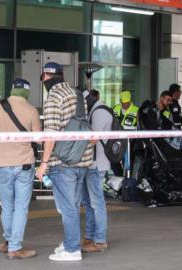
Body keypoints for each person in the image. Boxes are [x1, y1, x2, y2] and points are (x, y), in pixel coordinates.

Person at [35, 62, 94, 261]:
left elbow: (50, 135)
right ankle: (71, 242)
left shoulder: (53, 97)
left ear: (45, 77)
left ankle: (71, 250)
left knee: (67, 208)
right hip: (82, 158)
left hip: (63, 162)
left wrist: (43, 163)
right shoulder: (77, 93)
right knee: (73, 205)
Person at [0, 78, 40, 259]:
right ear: (26, 92)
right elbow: (38, 139)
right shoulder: (31, 110)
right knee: (20, 207)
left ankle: (9, 241)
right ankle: (15, 248)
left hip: (2, 163)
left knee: (7, 206)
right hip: (24, 163)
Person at [80, 91, 110, 253]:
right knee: (88, 203)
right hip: (90, 163)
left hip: (97, 165)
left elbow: (92, 139)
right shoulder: (93, 110)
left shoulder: (99, 112)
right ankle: (90, 237)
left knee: (97, 203)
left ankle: (100, 240)